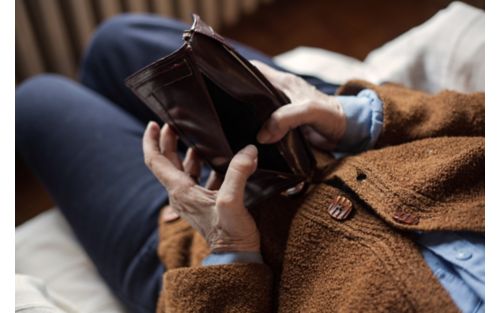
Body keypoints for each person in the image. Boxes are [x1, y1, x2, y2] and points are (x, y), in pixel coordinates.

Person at [16, 10, 484, 313]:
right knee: (116, 42)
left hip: (203, 254)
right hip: (340, 132)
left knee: (37, 102)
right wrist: (358, 117)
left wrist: (227, 248)